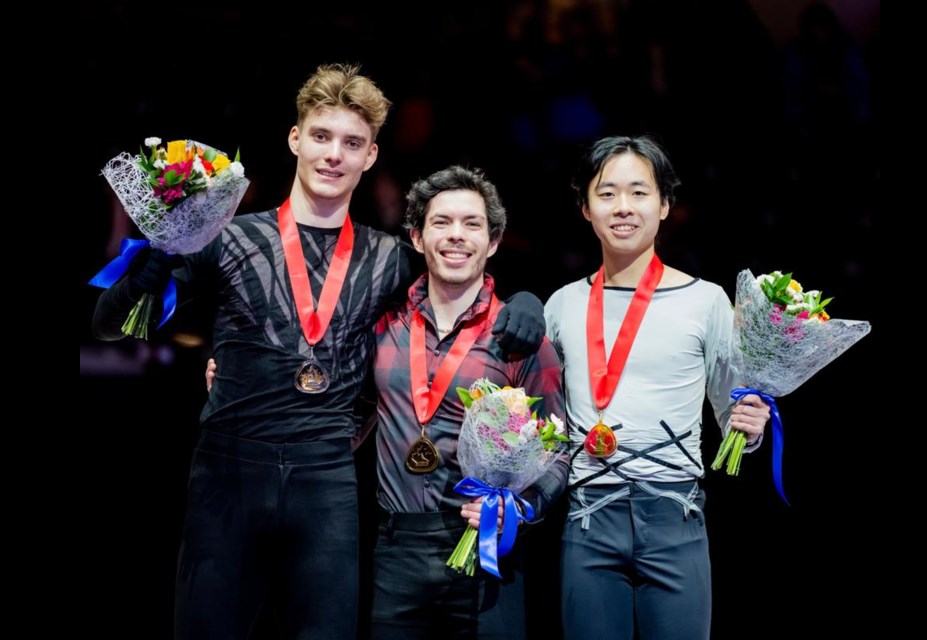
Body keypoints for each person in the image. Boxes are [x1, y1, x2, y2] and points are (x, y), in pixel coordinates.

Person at [92, 64, 545, 639]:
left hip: (326, 487)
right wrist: (147, 270)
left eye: (352, 143)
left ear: (371, 156)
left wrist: (525, 298)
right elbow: (108, 326)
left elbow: (458, 282)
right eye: (322, 136)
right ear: (295, 139)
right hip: (229, 477)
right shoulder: (227, 238)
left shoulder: (389, 259)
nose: (334, 154)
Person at [543, 135, 771, 640]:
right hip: (587, 518)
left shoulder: (707, 301)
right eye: (607, 193)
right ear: (585, 207)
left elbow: (731, 414)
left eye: (639, 192)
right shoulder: (559, 306)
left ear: (665, 204)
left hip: (676, 516)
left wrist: (750, 431)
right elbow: (547, 427)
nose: (623, 207)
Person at [369, 165, 568, 638]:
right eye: (441, 223)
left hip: (486, 547)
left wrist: (520, 507)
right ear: (417, 237)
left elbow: (558, 445)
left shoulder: (522, 338)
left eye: (472, 224)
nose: (456, 236)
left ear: (493, 241)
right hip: (396, 550)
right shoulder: (384, 325)